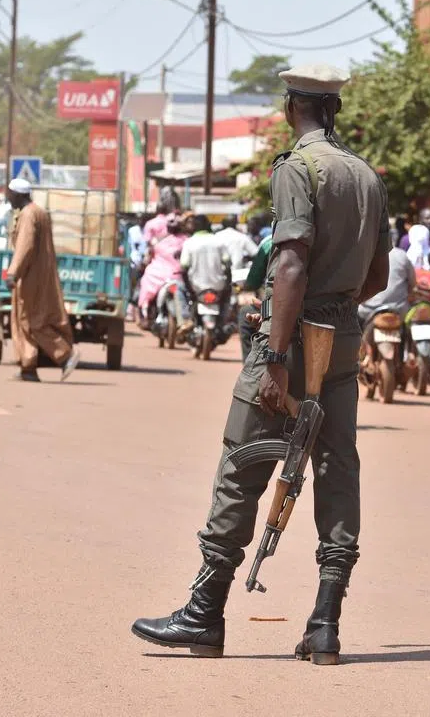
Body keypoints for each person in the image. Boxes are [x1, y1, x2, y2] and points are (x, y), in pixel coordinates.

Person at [132, 62, 391, 665]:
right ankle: (325, 624)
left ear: (289, 108)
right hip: (344, 340)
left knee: (242, 464)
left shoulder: (297, 170)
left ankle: (203, 614)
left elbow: (292, 266)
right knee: (337, 469)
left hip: (292, 337)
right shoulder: (367, 177)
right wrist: (336, 305)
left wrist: (275, 356)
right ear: (336, 110)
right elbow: (376, 276)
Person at [4, 178, 80, 383]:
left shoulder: (29, 214)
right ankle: (28, 367)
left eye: (9, 194)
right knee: (25, 320)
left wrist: (13, 272)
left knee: (33, 320)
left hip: (31, 276)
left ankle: (64, 355)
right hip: (37, 273)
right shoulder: (37, 211)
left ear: (17, 195)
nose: (7, 198)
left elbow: (25, 246)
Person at [180, 214, 232, 333]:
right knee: (227, 300)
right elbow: (228, 265)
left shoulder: (189, 243)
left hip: (196, 287)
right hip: (218, 285)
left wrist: (190, 288)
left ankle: (186, 320)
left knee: (181, 291)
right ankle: (224, 323)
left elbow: (184, 268)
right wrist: (227, 285)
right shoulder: (219, 241)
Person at [136, 212, 188, 324]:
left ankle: (144, 311)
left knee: (145, 284)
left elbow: (147, 255)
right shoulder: (186, 241)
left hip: (157, 276)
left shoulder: (158, 242)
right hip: (178, 276)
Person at [357, 241, 416, 327]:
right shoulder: (402, 255)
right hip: (399, 309)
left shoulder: (365, 254)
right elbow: (413, 283)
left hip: (368, 311)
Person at [237, 234, 273, 360]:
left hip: (276, 306)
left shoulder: (270, 243)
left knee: (244, 314)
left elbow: (253, 282)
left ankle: (249, 368)